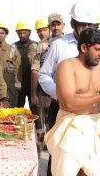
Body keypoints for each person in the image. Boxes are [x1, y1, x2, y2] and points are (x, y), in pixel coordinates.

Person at [38, 2, 100, 176]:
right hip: (66, 115)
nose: (87, 28)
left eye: (90, 24)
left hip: (94, 121)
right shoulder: (60, 45)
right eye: (83, 24)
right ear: (73, 23)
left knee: (94, 169)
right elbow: (44, 76)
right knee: (63, 167)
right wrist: (61, 94)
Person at [45, 28, 100, 176]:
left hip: (94, 126)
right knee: (70, 172)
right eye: (97, 49)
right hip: (71, 127)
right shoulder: (66, 66)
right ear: (84, 47)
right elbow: (68, 103)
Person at [31, 14, 65, 155]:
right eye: (52, 25)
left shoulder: (70, 42)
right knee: (47, 123)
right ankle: (47, 154)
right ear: (49, 27)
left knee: (64, 126)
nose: (55, 27)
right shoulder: (42, 44)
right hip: (45, 92)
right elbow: (35, 69)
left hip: (65, 92)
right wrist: (33, 93)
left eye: (58, 24)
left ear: (63, 25)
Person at [13, 21, 37, 107]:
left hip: (32, 83)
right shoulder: (13, 47)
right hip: (19, 84)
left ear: (29, 32)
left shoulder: (36, 45)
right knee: (18, 109)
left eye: (24, 32)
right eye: (20, 33)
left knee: (35, 109)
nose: (22, 35)